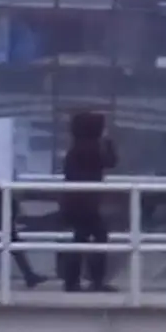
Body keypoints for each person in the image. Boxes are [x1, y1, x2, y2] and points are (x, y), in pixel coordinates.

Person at [58, 108, 117, 293]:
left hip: (76, 203)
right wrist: (108, 142)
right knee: (98, 237)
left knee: (81, 239)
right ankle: (94, 280)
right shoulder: (90, 149)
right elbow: (110, 161)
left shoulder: (76, 148)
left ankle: (73, 281)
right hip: (85, 204)